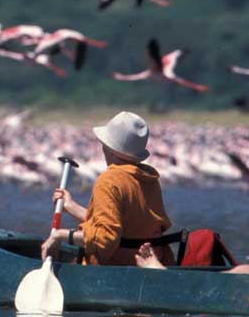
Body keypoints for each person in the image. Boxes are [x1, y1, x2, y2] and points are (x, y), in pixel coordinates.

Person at [40, 111, 174, 266]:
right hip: (146, 261)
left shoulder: (109, 181)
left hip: (117, 265)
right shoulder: (148, 179)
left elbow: (105, 238)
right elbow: (121, 227)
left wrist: (59, 236)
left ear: (109, 148)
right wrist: (71, 206)